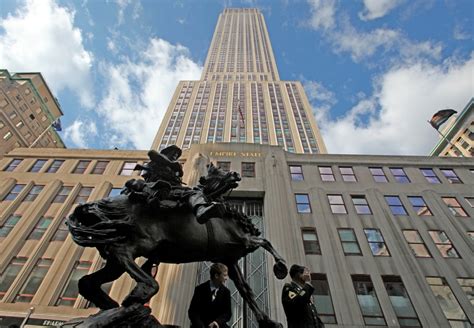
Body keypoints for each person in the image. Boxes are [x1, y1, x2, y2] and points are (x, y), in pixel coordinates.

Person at [131, 145, 224, 223]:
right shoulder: (158, 160)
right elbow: (152, 153)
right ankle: (200, 209)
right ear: (167, 152)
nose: (176, 155)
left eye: (177, 155)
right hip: (155, 186)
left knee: (192, 192)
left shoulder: (174, 168)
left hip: (172, 189)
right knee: (190, 192)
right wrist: (171, 164)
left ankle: (200, 208)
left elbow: (179, 177)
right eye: (174, 153)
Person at [188, 263, 232, 328]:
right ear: (216, 276)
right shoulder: (200, 289)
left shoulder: (226, 292)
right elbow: (193, 312)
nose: (227, 278)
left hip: (218, 326)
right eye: (225, 275)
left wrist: (217, 322)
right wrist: (201, 326)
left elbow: (227, 313)